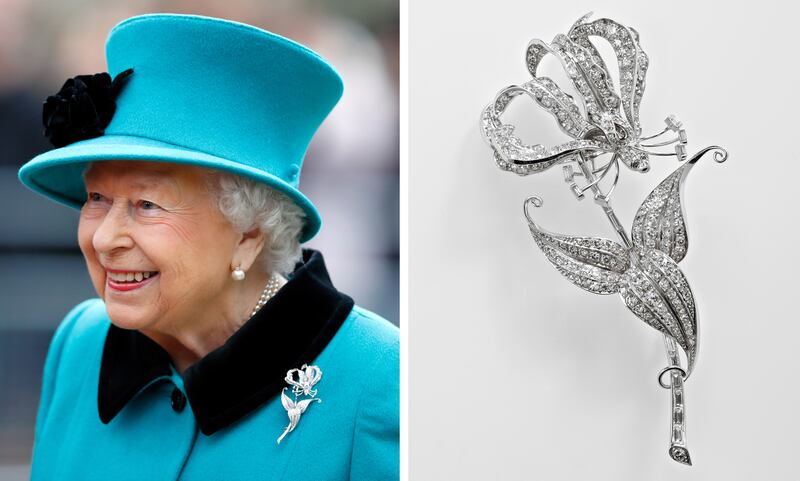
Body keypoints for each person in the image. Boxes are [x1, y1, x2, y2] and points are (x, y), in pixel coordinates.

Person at [17, 12, 398, 480]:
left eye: (147, 204)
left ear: (249, 234)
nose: (103, 238)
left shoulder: (377, 380)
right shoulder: (81, 343)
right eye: (97, 197)